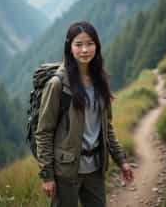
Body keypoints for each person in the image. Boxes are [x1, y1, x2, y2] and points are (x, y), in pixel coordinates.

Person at [35, 21, 133, 207]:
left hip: (95, 169)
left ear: (97, 45)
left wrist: (121, 160)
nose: (85, 50)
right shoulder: (58, 85)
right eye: (78, 44)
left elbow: (106, 127)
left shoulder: (100, 80)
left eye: (90, 43)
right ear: (69, 47)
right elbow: (44, 132)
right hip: (66, 172)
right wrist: (47, 175)